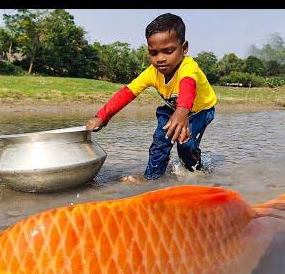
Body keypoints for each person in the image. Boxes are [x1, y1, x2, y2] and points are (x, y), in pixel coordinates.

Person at [85, 13, 217, 180]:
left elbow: (187, 86)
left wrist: (183, 111)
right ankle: (151, 179)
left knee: (185, 146)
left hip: (200, 111)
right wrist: (102, 116)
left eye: (168, 51)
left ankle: (196, 171)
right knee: (160, 142)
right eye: (153, 53)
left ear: (184, 48)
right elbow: (127, 93)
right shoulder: (151, 73)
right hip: (174, 109)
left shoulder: (188, 67)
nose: (160, 59)